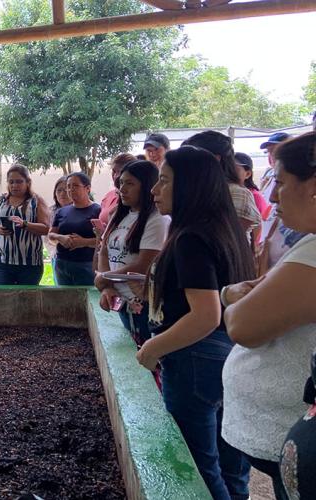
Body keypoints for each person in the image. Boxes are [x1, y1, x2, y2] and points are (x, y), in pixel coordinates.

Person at [136, 146, 255, 500]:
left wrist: (153, 347)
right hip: (226, 355)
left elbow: (205, 314)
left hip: (193, 358)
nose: (155, 190)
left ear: (190, 186)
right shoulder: (225, 228)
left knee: (198, 468)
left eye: (165, 181)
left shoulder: (190, 238)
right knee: (230, 467)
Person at [221, 132, 316, 500]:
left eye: (280, 181)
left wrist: (233, 300)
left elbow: (244, 325)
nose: (273, 195)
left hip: (288, 438)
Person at [95, 160, 168, 347]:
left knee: (145, 355)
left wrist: (105, 277)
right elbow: (104, 251)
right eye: (121, 183)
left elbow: (144, 263)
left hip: (142, 303)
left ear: (147, 185)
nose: (122, 189)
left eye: (130, 183)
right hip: (120, 300)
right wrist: (107, 286)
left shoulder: (157, 219)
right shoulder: (120, 214)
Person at [183, 130, 261, 238]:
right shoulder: (198, 190)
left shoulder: (236, 193)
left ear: (214, 159)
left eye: (191, 159)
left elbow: (225, 238)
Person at [0, 165, 49, 285]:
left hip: (30, 264)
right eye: (11, 182)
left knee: (27, 300)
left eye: (19, 182)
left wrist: (25, 224)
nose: (14, 185)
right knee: (2, 299)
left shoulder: (36, 201)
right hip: (2, 263)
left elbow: (46, 228)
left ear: (28, 182)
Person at [256, 132, 306, 273]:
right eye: (269, 152)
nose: (272, 156)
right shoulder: (268, 178)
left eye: (276, 151)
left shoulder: (308, 245)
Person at [47, 173, 101, 286]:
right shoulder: (62, 212)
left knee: (85, 300)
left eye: (75, 186)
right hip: (62, 264)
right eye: (68, 186)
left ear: (88, 188)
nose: (70, 189)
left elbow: (104, 240)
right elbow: (51, 235)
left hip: (86, 264)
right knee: (64, 300)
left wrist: (84, 242)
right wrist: (60, 237)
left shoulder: (98, 211)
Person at [98, 153, 137, 228]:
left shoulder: (135, 198)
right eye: (114, 171)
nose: (116, 175)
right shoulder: (108, 195)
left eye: (120, 171)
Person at [44, 175, 72, 268]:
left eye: (65, 190)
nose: (62, 194)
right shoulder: (50, 211)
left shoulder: (85, 209)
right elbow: (47, 237)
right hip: (57, 257)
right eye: (59, 190)